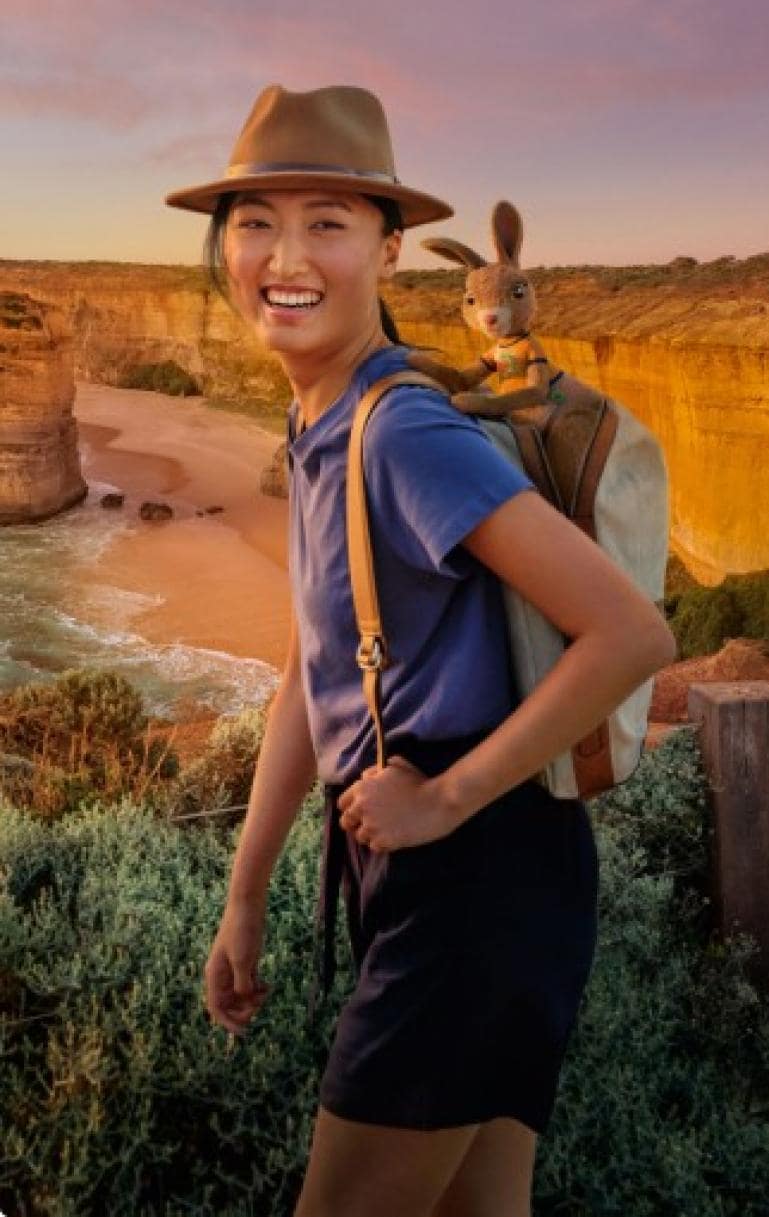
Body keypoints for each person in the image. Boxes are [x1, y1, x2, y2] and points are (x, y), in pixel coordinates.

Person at [164, 83, 677, 1217]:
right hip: (460, 874)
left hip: (471, 872)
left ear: (390, 250)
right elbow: (312, 667)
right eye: (255, 222)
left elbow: (631, 632)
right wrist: (244, 893)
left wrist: (445, 797)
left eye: (328, 222)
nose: (284, 256)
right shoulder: (319, 417)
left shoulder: (401, 430)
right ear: (224, 246)